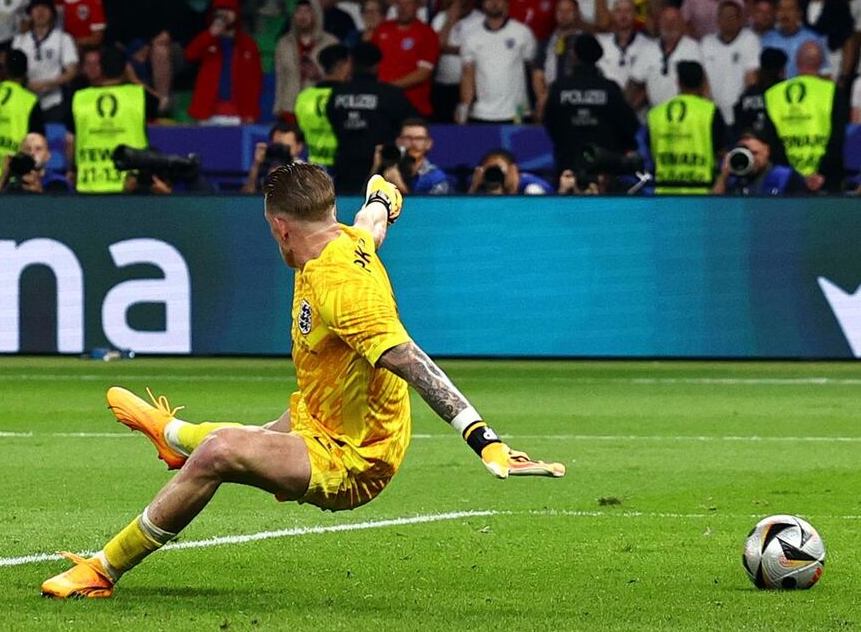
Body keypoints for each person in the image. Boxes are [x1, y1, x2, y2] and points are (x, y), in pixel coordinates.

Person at [41, 166, 563, 598]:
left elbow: (410, 359)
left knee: (222, 451)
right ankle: (174, 437)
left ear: (280, 228)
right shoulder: (347, 238)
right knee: (253, 438)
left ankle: (103, 570)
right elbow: (373, 220)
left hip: (356, 455)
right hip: (324, 410)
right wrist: (384, 195)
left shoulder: (344, 289)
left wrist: (484, 439)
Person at [541, 34, 640, 191]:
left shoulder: (559, 88)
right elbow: (630, 126)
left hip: (569, 168)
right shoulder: (610, 88)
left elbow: (549, 124)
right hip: (604, 171)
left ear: (574, 54)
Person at [327, 44, 417, 196]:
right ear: (377, 66)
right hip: (383, 170)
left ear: (351, 63)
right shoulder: (390, 94)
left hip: (345, 167)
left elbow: (332, 119)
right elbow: (412, 122)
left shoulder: (337, 93)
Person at [763, 41, 844, 191]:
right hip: (825, 178)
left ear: (796, 61)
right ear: (821, 62)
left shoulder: (773, 94)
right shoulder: (833, 91)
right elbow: (837, 139)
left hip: (785, 179)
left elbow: (771, 142)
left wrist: (796, 176)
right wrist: (819, 174)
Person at [67, 44, 149, 194]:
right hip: (130, 183)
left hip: (89, 183)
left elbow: (70, 141)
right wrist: (134, 79)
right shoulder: (139, 96)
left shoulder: (80, 98)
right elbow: (162, 102)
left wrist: (72, 170)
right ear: (126, 68)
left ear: (101, 69)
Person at [457, 0, 540, 124]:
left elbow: (533, 71)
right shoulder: (471, 36)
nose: (494, 3)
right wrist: (464, 107)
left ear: (507, 4)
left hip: (518, 110)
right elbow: (467, 75)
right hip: (482, 112)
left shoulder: (522, 32)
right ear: (483, 4)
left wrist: (539, 102)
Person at [647, 61, 725, 194]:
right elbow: (722, 152)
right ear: (703, 82)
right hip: (701, 191)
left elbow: (649, 152)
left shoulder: (655, 114)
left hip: (664, 190)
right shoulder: (710, 111)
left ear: (678, 82)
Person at [183, 0, 262, 124]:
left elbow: (256, 81)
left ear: (236, 14)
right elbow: (190, 55)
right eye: (220, 11)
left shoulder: (248, 45)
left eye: (228, 10)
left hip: (238, 113)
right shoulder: (208, 39)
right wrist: (210, 35)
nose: (224, 15)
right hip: (208, 112)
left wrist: (251, 112)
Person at [0, 48, 46, 185]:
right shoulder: (29, 101)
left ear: (5, 69)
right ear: (26, 70)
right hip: (18, 170)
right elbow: (37, 140)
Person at [296, 44, 349, 169]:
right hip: (342, 164)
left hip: (313, 163)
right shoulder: (346, 97)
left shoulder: (304, 97)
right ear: (343, 65)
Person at [717, 131, 805, 195]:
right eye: (745, 154)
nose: (751, 159)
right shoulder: (733, 180)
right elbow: (713, 209)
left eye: (754, 153)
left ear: (767, 150)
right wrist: (724, 175)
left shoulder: (786, 176)